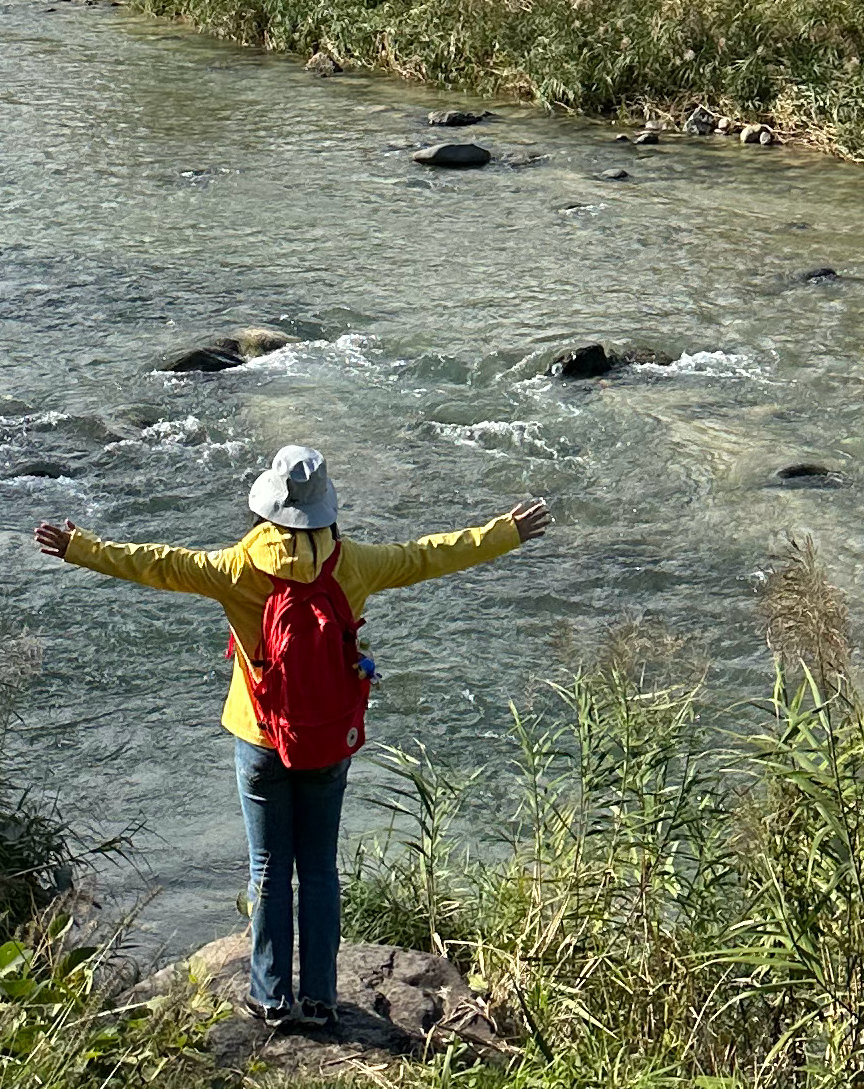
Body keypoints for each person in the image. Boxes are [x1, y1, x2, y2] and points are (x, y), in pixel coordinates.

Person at [35, 443, 551, 1035]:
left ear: (267, 509)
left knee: (268, 870)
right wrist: (504, 533)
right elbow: (425, 555)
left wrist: (80, 547)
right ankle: (323, 998)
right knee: (321, 870)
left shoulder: (235, 567)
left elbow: (157, 563)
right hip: (328, 739)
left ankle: (272, 998)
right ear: (324, 510)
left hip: (258, 738)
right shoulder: (353, 563)